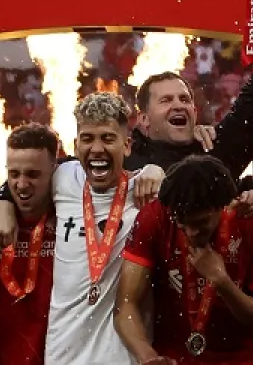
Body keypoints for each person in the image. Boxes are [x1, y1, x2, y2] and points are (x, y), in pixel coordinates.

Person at [116, 155, 253, 364]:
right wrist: (148, 357)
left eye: (200, 222)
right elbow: (125, 305)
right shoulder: (155, 216)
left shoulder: (251, 222)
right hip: (174, 357)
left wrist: (222, 282)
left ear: (224, 205)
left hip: (239, 359)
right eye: (181, 221)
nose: (191, 232)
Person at [41, 92, 160, 365]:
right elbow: (20, 182)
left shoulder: (146, 193)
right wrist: (3, 200)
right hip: (62, 357)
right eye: (87, 138)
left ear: (127, 145)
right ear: (75, 145)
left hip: (124, 357)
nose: (96, 148)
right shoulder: (62, 179)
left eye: (107, 138)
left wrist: (158, 170)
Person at [0, 123, 59, 365]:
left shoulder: (75, 208)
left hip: (60, 355)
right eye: (14, 174)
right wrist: (0, 197)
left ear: (54, 170)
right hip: (4, 356)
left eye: (33, 174)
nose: (22, 184)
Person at [127, 70, 253, 181]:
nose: (179, 105)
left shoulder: (213, 151)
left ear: (195, 112)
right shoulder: (125, 162)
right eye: (166, 100)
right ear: (144, 118)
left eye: (184, 99)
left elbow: (250, 107)